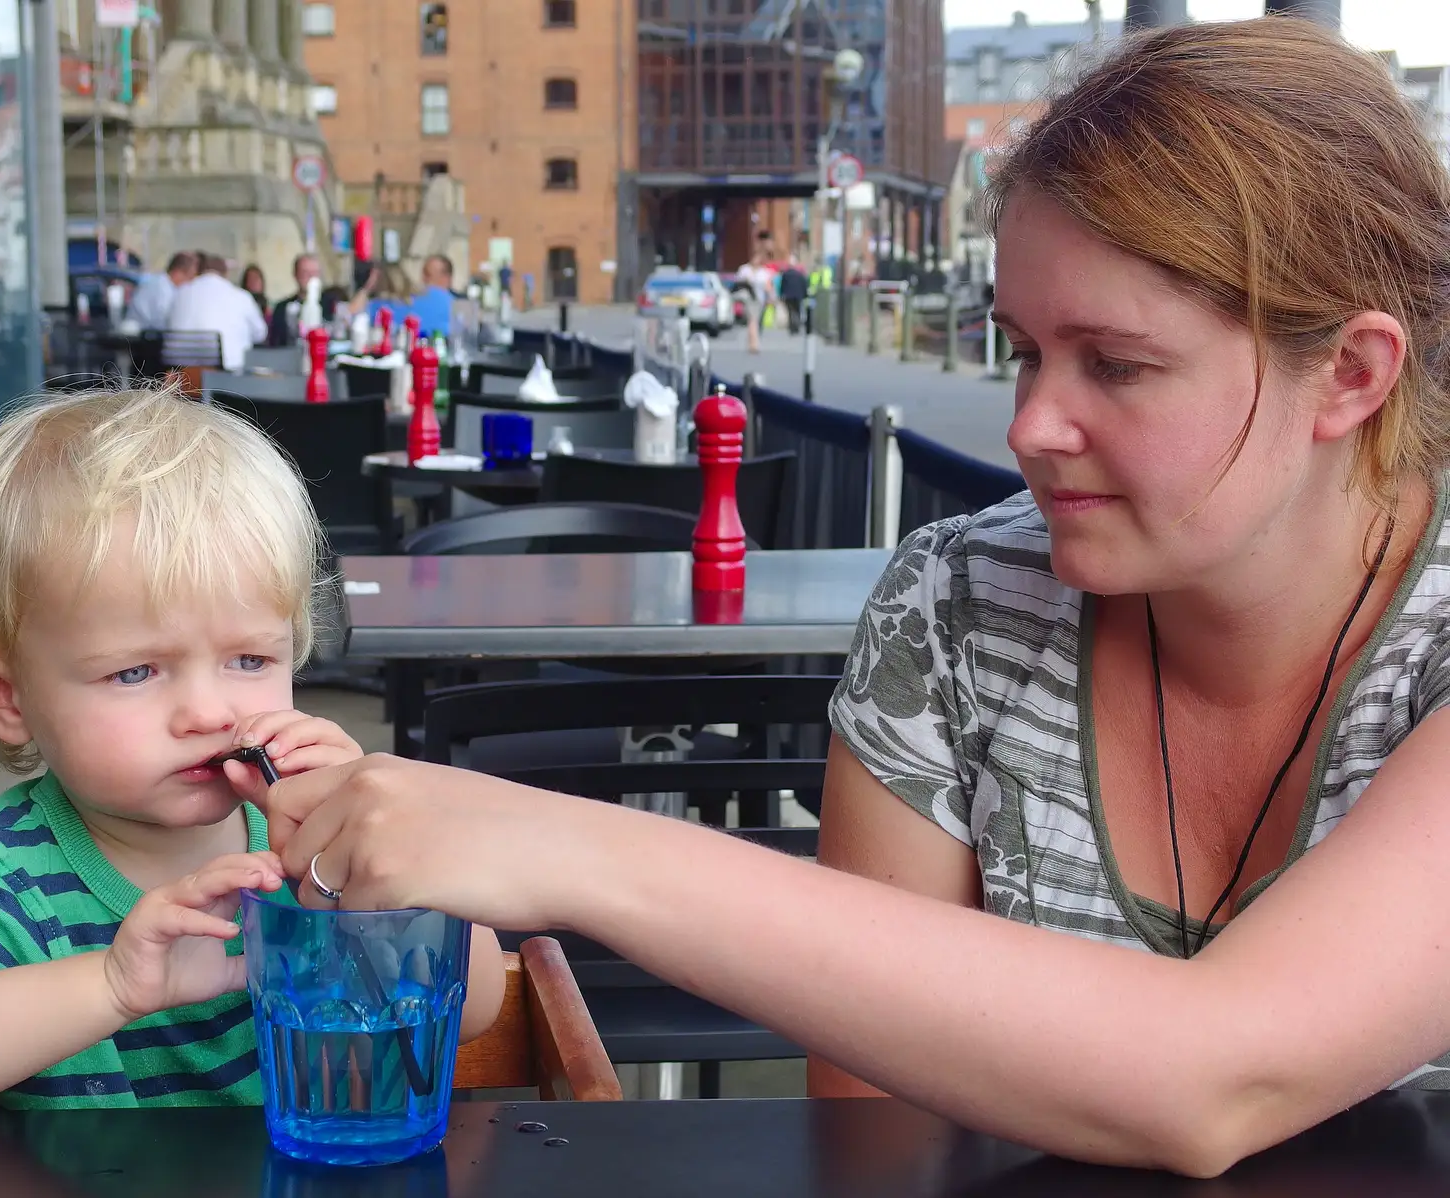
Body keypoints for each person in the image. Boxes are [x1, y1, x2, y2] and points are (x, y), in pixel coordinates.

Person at [244, 19, 1450, 1177]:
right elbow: (877, 1127)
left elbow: (1216, 1076)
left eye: (1118, 365)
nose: (1032, 425)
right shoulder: (956, 602)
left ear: (1348, 373)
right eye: (1024, 350)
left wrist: (561, 844)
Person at [0, 387, 505, 1113]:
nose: (208, 712)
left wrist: (383, 864)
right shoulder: (11, 887)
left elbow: (474, 1008)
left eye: (251, 660)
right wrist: (112, 984)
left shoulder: (318, 855)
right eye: (136, 672)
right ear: (8, 697)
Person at [166, 254, 267, 372]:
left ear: (200, 272)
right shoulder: (241, 296)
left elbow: (167, 325)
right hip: (226, 379)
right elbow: (260, 334)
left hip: (182, 377)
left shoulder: (179, 293)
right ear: (225, 274)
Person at [128, 252, 197, 332]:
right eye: (189, 277)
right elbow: (164, 321)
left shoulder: (164, 284)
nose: (189, 283)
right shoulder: (161, 288)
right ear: (178, 273)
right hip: (141, 335)